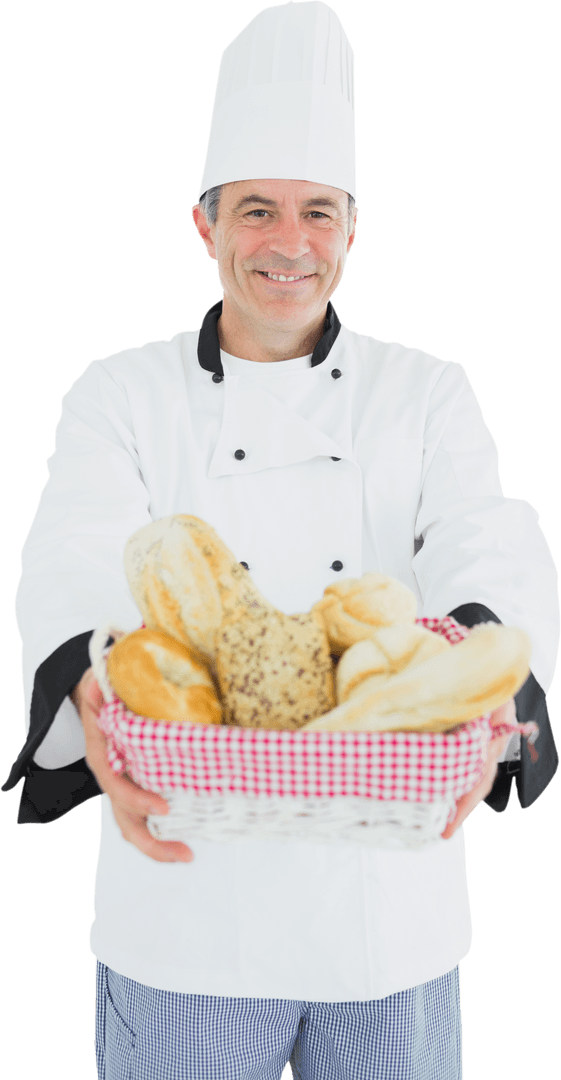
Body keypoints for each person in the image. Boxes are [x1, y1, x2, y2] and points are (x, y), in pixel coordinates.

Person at [2, 3, 558, 1078]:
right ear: (205, 225)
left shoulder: (427, 392)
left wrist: (497, 690)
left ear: (354, 227)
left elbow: (488, 542)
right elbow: (71, 547)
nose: (289, 246)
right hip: (183, 910)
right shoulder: (121, 393)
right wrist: (85, 693)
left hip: (387, 921)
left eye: (318, 212)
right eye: (257, 211)